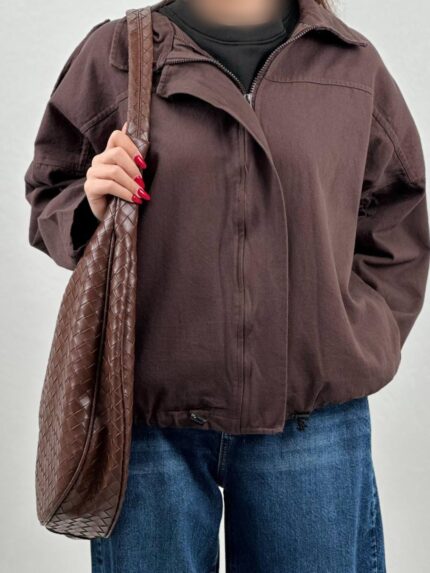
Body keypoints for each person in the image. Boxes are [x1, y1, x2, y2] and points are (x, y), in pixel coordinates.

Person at [25, 0, 429, 571]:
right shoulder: (117, 54)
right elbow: (50, 190)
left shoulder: (352, 65)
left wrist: (355, 336)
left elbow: (396, 215)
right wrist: (89, 203)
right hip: (147, 422)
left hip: (311, 422)